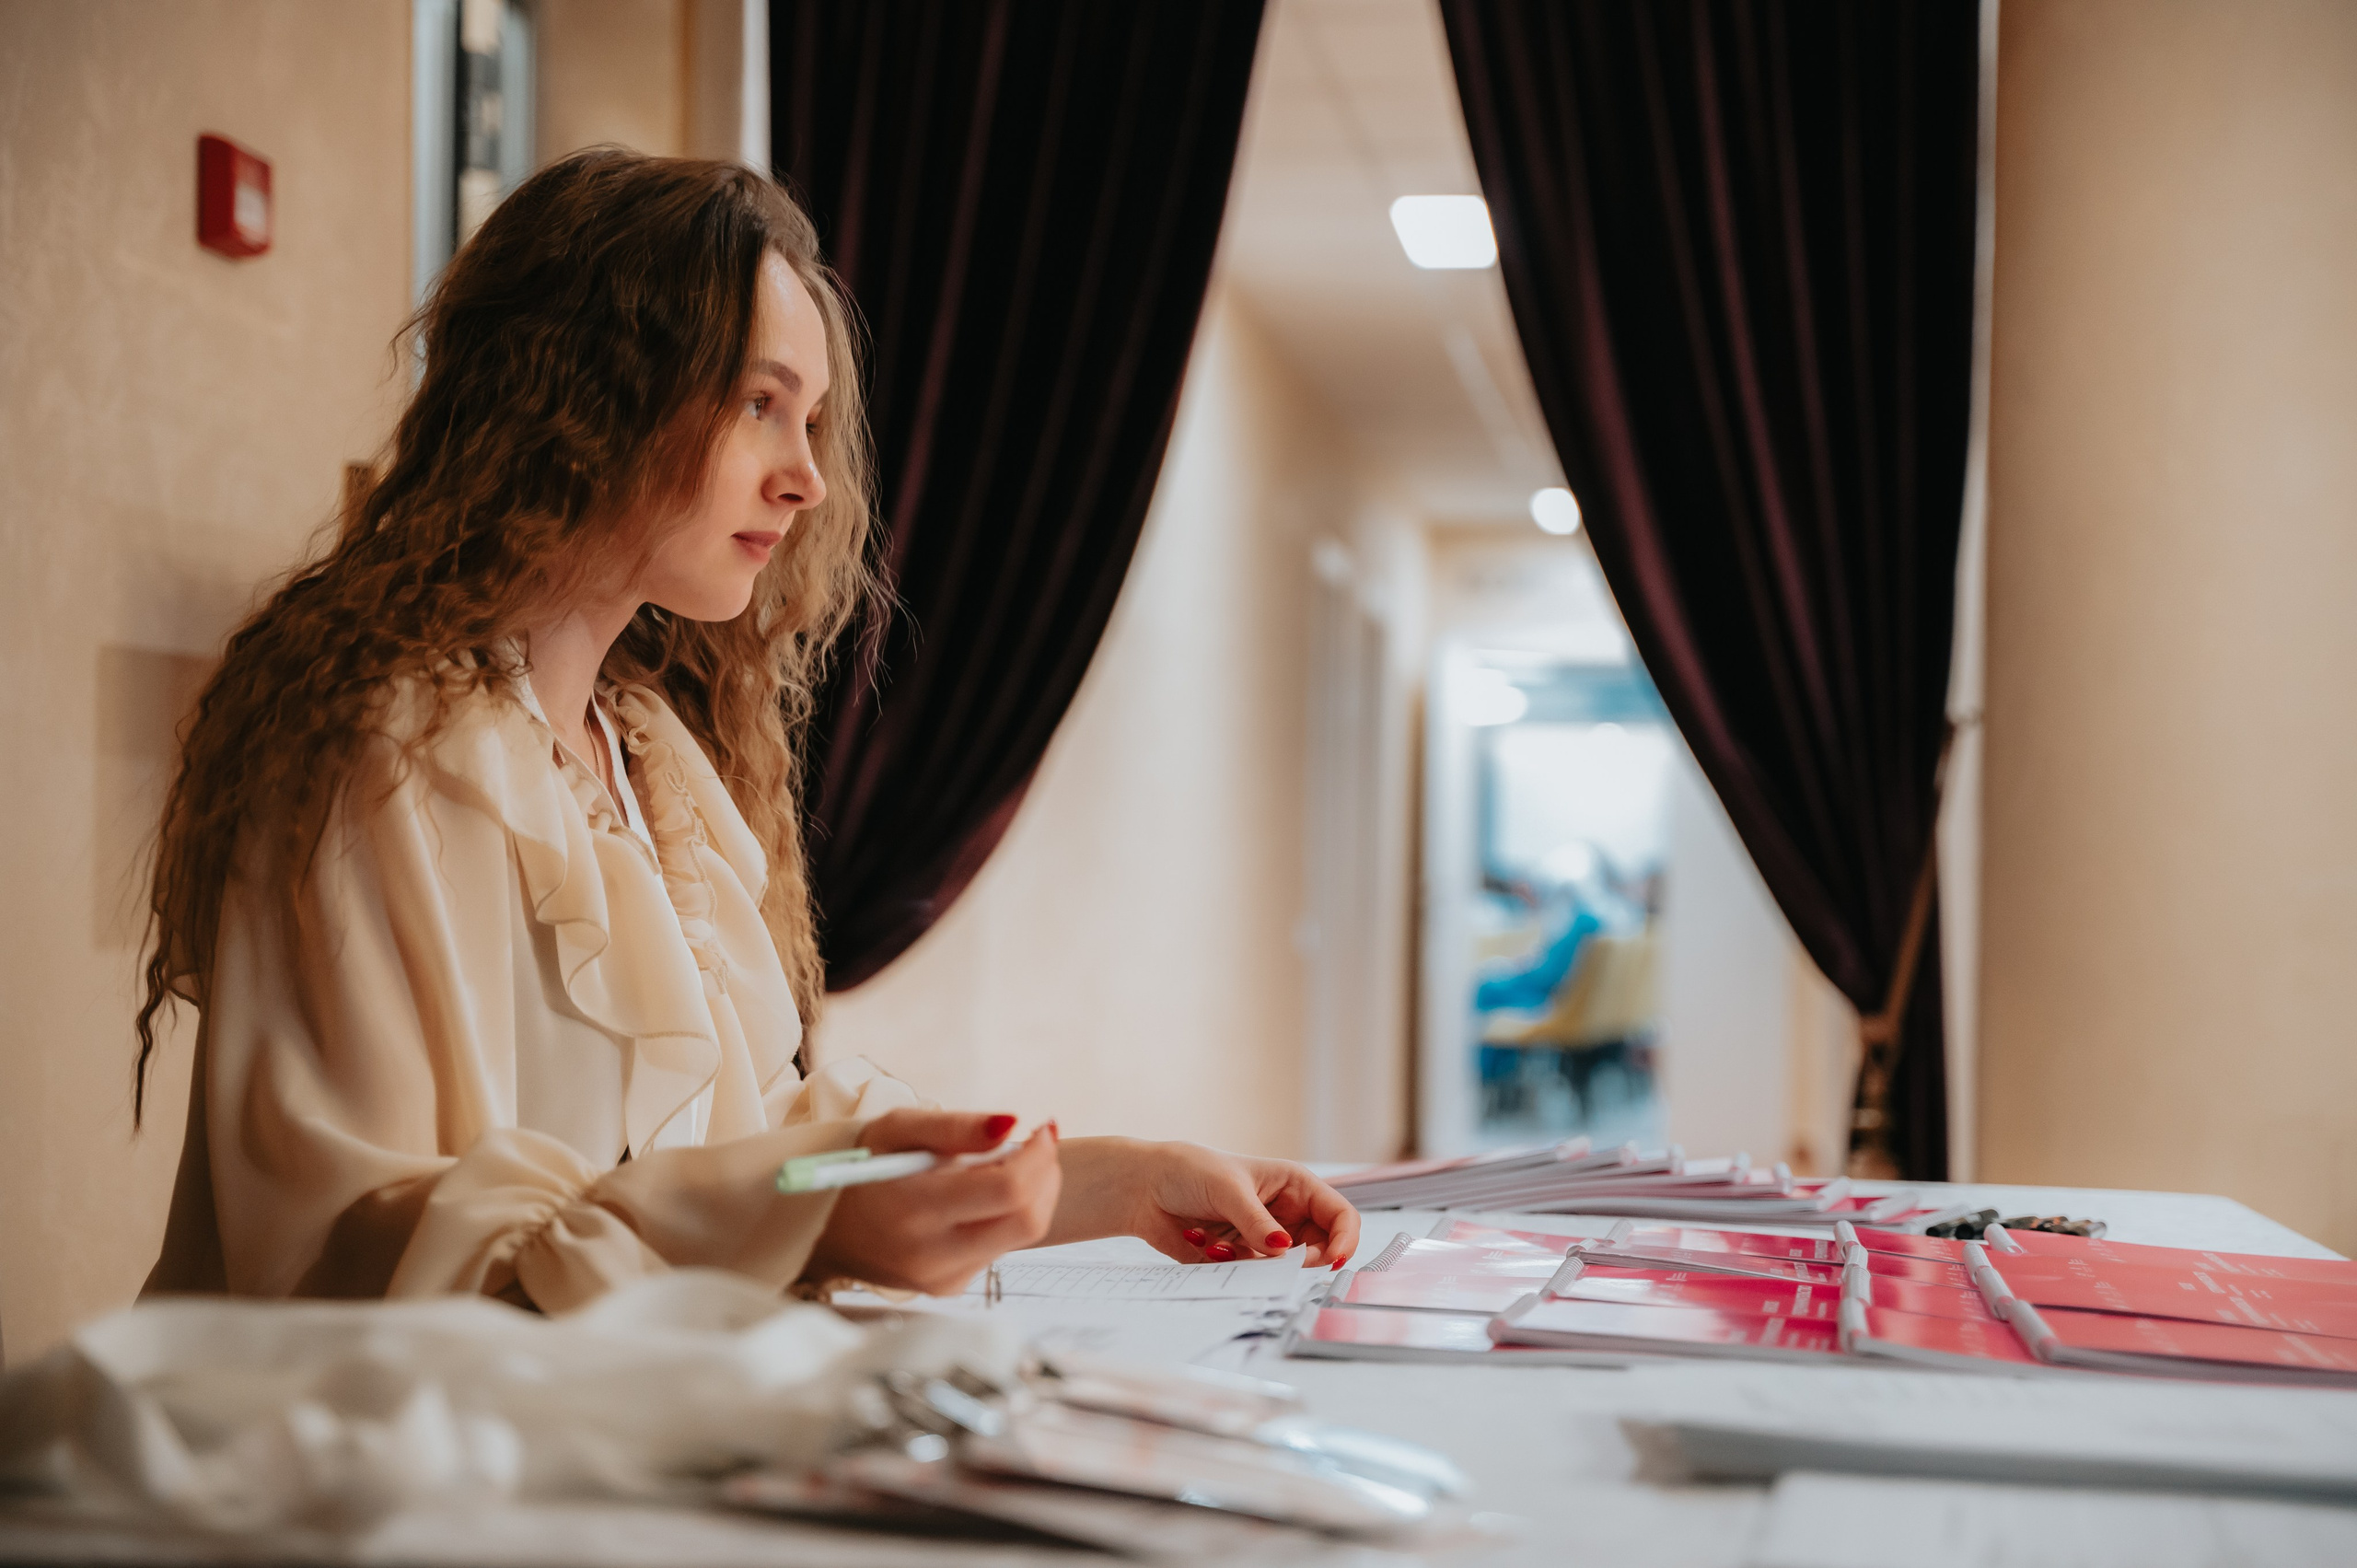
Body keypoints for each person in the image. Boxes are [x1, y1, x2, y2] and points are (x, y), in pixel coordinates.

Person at [136, 149, 1356, 1313]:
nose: (806, 478)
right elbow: (350, 1252)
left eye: (810, 418)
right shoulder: (385, 750)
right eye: (760, 404)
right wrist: (808, 1220)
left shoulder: (651, 759)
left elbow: (763, 1152)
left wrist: (1113, 1179)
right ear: (593, 396)